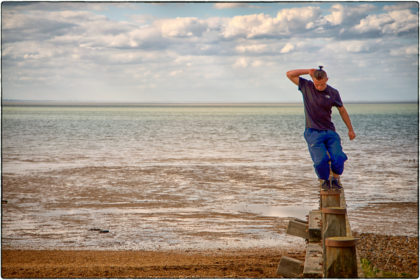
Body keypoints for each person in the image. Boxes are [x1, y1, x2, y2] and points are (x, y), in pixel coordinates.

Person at [286, 66, 356, 190]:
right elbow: (289, 74)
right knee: (320, 161)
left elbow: (342, 110)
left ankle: (335, 179)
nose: (319, 87)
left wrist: (350, 129)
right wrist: (308, 71)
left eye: (322, 84)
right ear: (313, 80)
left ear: (327, 79)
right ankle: (324, 180)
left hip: (329, 131)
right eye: (317, 84)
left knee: (338, 157)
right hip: (312, 132)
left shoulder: (333, 92)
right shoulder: (307, 86)